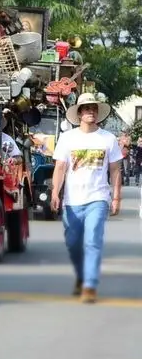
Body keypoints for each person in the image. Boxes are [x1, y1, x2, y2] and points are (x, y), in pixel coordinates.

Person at [50, 93, 123, 304]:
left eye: (93, 108)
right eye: (86, 108)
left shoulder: (108, 139)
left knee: (92, 241)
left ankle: (90, 285)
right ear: (79, 113)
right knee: (73, 243)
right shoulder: (68, 138)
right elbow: (60, 167)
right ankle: (81, 277)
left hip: (98, 198)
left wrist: (116, 198)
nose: (90, 111)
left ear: (97, 113)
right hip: (72, 201)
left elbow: (116, 169)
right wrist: (55, 192)